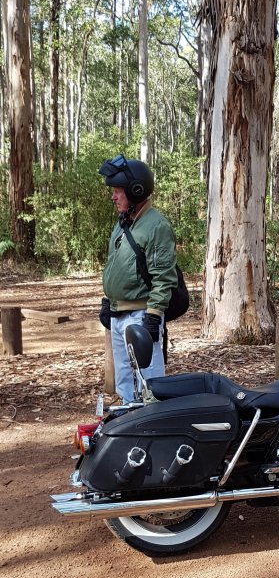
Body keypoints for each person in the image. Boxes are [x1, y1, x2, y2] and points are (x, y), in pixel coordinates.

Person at [98, 154, 177, 403]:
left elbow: (163, 277)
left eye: (118, 191)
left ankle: (154, 433)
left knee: (150, 385)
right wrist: (107, 301)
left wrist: (153, 317)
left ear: (136, 191)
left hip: (142, 316)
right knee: (125, 384)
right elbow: (116, 266)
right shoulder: (123, 224)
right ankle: (129, 434)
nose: (113, 196)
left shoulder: (156, 226)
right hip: (119, 316)